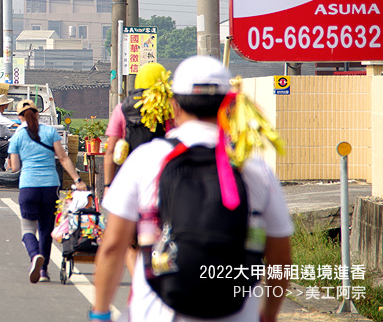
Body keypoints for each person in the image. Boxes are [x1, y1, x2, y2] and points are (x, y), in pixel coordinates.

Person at [90, 56, 293, 322]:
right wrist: (268, 315)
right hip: (235, 314)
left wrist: (100, 314)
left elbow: (113, 246)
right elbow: (281, 258)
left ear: (173, 105)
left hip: (157, 312)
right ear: (230, 104)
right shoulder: (254, 166)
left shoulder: (146, 159)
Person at [9, 99, 87, 283]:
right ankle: (43, 271)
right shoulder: (50, 132)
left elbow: (14, 167)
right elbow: (63, 158)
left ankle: (34, 255)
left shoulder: (17, 136)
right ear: (37, 114)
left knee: (28, 228)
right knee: (45, 229)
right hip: (50, 186)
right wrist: (77, 180)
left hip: (28, 186)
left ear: (20, 117)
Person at [103, 62, 174, 188]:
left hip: (130, 177)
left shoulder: (122, 109)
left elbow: (110, 151)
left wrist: (108, 185)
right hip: (164, 178)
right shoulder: (171, 108)